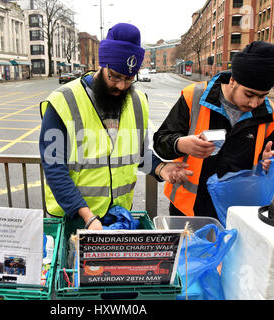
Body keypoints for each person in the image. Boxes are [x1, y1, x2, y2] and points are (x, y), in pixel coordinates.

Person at [39, 23, 192, 230]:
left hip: (118, 217)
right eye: (115, 76)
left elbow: (137, 153)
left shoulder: (138, 101)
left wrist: (161, 167)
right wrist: (87, 217)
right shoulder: (62, 101)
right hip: (73, 217)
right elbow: (54, 167)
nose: (121, 86)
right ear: (103, 65)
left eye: (129, 78)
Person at [153, 41, 274, 220]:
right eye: (249, 94)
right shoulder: (194, 96)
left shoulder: (270, 114)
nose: (254, 104)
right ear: (232, 80)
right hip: (189, 210)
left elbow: (270, 161)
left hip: (237, 212)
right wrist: (181, 144)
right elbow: (161, 141)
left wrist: (268, 163)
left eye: (262, 96)